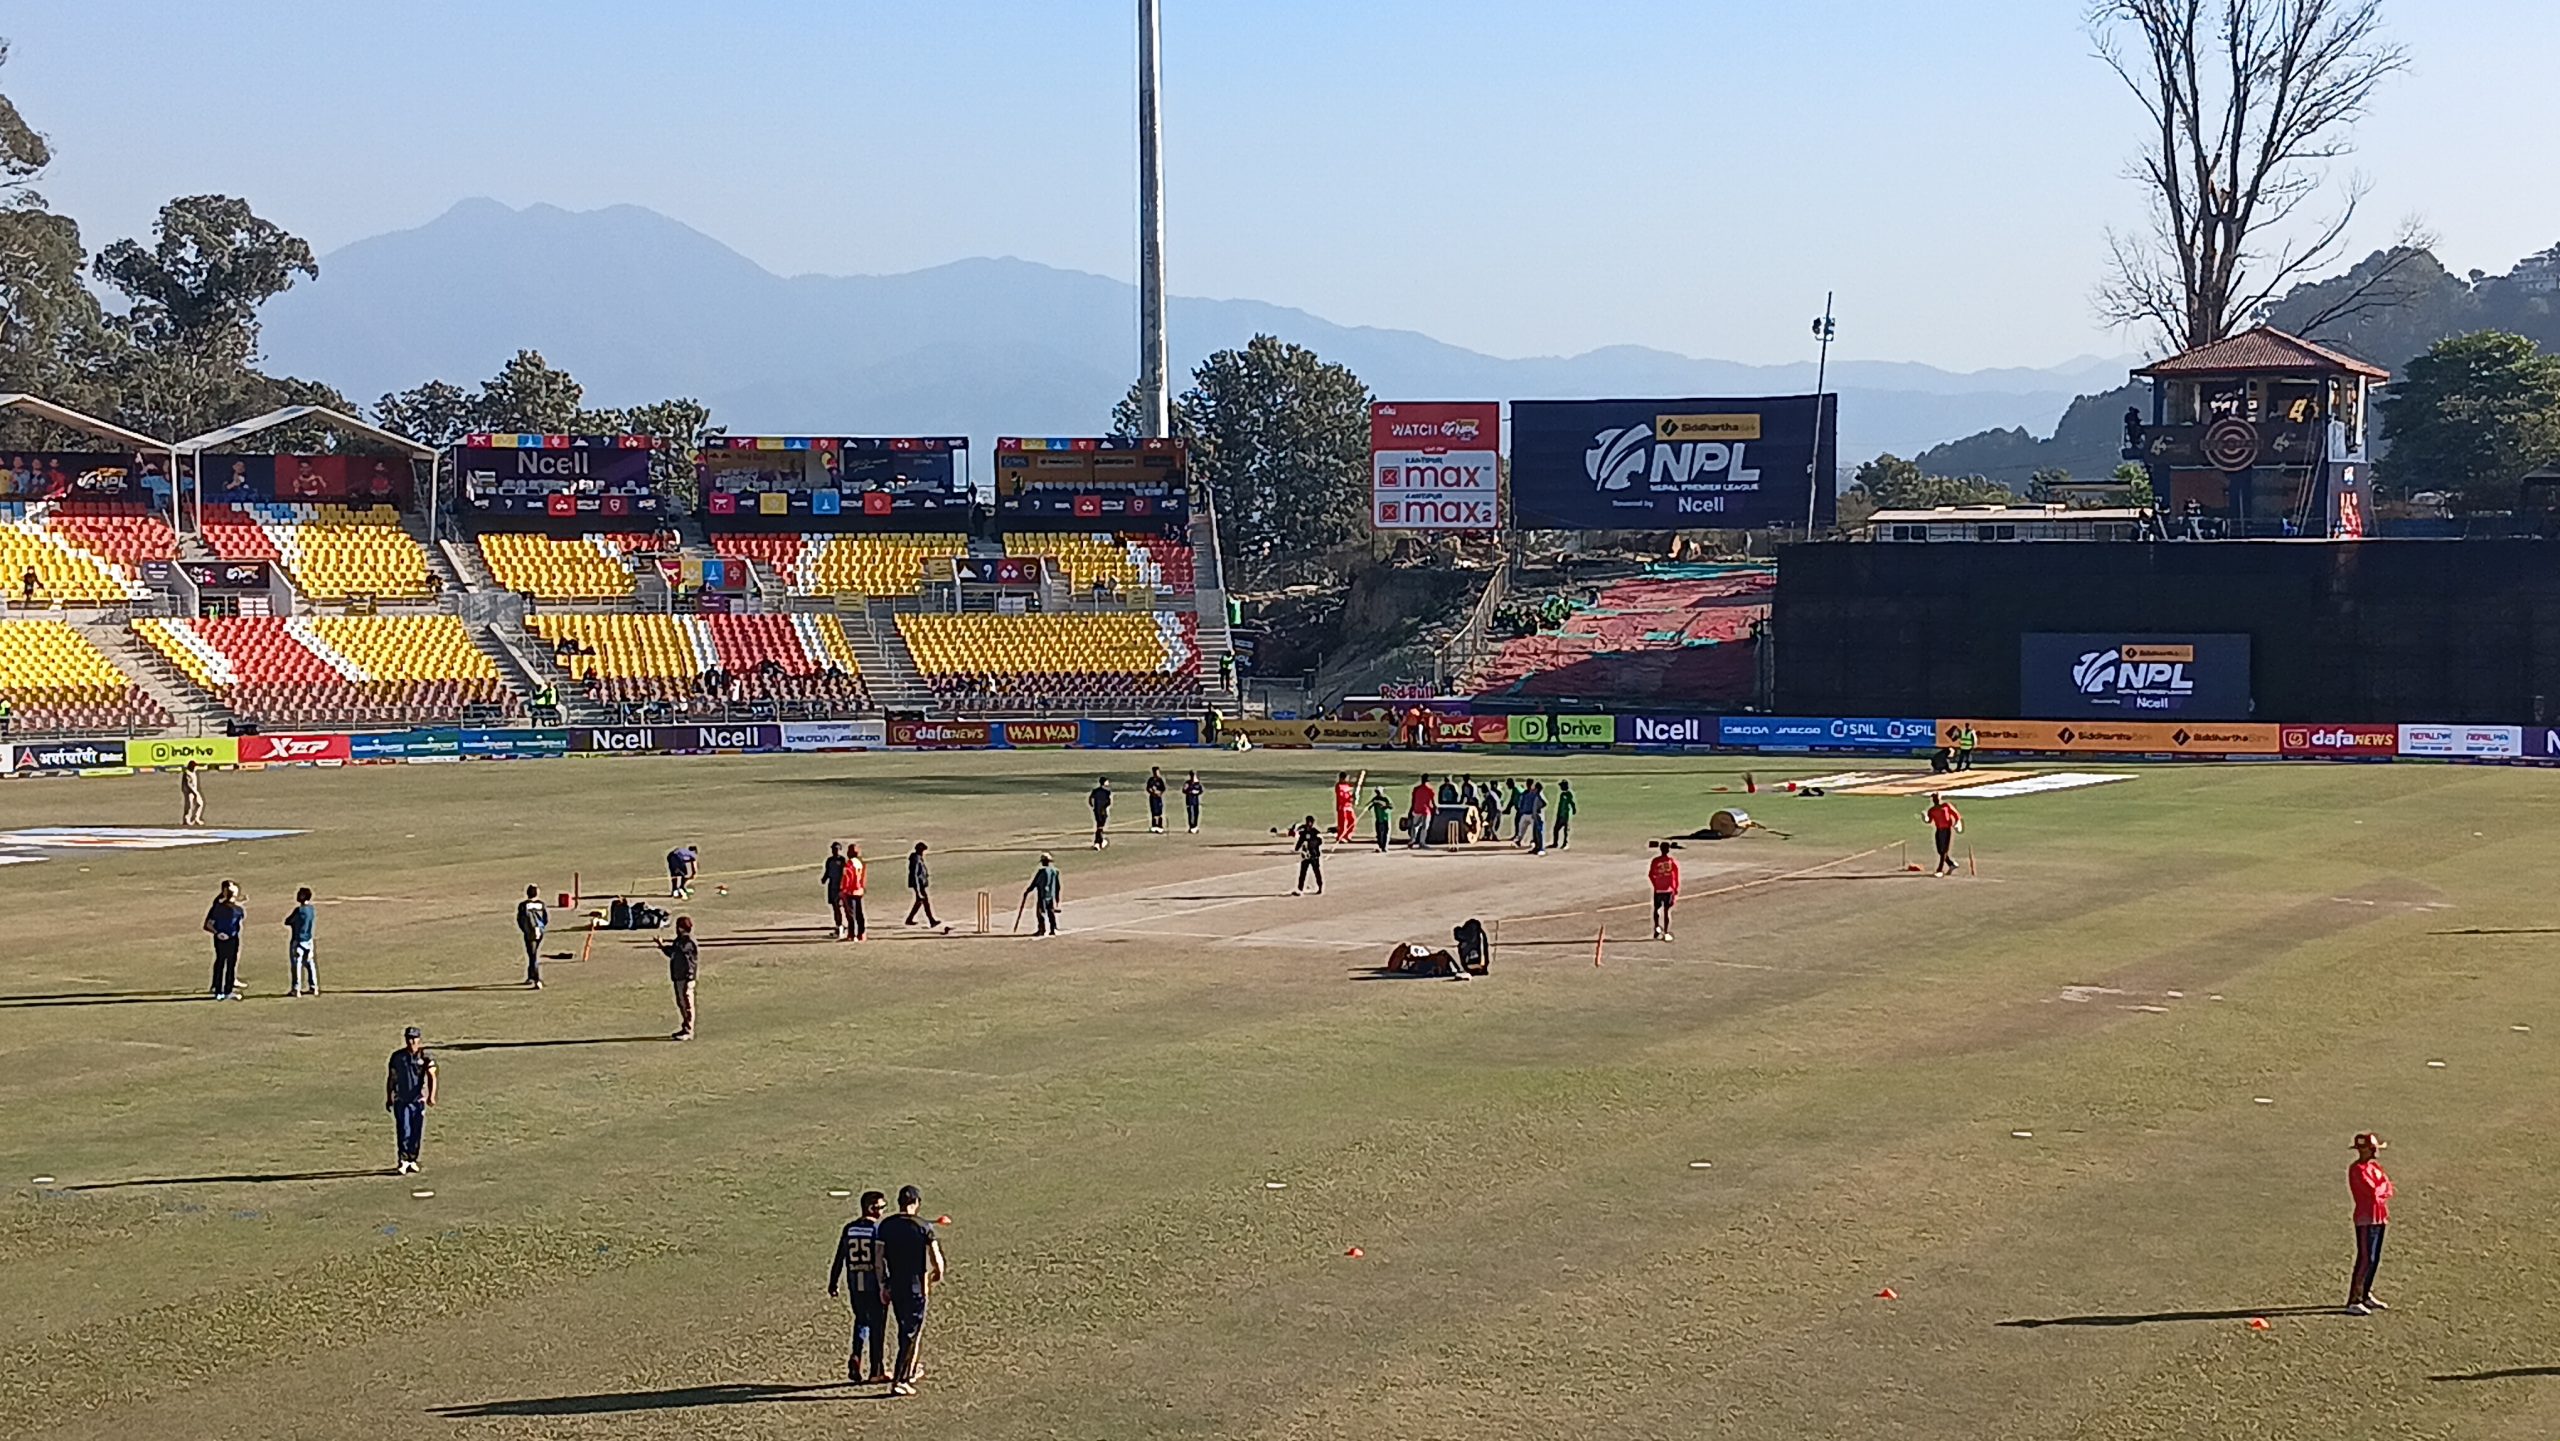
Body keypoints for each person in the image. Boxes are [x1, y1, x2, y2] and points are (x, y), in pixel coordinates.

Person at [873, 1184, 947, 1397]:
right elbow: (936, 1258)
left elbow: (878, 1259)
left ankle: (910, 1369)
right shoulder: (923, 1226)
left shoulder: (886, 1226)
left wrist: (882, 1285)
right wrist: (937, 1274)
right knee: (911, 1333)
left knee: (904, 1330)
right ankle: (900, 1380)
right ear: (916, 1203)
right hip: (916, 1288)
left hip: (895, 1286)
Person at [828, 1190, 891, 1383]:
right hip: (874, 1283)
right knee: (877, 1326)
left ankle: (856, 1354)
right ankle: (876, 1370)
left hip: (855, 1282)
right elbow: (884, 1259)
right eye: (881, 1207)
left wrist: (833, 1282)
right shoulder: (878, 1230)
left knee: (861, 1320)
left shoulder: (850, 1229)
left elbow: (840, 1257)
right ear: (871, 1208)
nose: (882, 1211)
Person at [2347, 1132, 2394, 1316]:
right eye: (2372, 1148)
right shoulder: (2357, 1170)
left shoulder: (2374, 1167)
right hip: (2365, 1219)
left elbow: (2387, 1187)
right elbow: (2373, 1191)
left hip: (2380, 1216)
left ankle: (2365, 1294)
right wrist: (2381, 1188)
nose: (2375, 1152)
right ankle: (2354, 1300)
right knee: (2365, 1259)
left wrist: (2381, 1189)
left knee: (2374, 1259)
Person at [385, 1025, 437, 1174]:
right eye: (409, 1038)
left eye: (414, 1038)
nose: (411, 1041)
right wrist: (389, 1097)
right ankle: (403, 1160)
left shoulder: (425, 1057)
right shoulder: (397, 1057)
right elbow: (392, 1078)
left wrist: (431, 1096)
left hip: (418, 1101)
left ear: (419, 1039)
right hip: (402, 1100)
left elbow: (432, 1076)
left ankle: (412, 1159)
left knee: (416, 1131)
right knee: (404, 1130)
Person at [658, 915, 698, 1039]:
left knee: (687, 1003)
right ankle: (685, 1027)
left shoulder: (688, 942)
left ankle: (688, 1030)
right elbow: (672, 953)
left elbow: (682, 954)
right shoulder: (679, 941)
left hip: (686, 977)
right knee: (681, 1003)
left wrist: (689, 976)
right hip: (678, 976)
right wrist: (662, 946)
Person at [204, 880, 245, 999]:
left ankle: (218, 989)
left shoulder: (217, 908)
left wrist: (218, 933)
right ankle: (227, 990)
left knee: (221, 962)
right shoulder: (238, 910)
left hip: (221, 938)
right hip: (231, 938)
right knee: (230, 964)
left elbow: (208, 925)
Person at [284, 886, 319, 996]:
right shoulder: (311, 910)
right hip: (309, 940)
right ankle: (314, 986)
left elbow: (288, 921)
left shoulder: (299, 910)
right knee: (310, 963)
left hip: (298, 940)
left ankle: (296, 988)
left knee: (297, 965)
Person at [905, 842, 943, 930]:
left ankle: (910, 919)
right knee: (924, 902)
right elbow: (915, 875)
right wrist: (918, 890)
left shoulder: (918, 858)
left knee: (920, 902)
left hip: (920, 884)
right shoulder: (916, 859)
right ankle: (931, 921)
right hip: (919, 884)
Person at [1648, 842, 1681, 942]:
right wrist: (1675, 888)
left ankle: (1657, 927)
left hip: (1658, 889)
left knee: (1656, 909)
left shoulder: (1655, 861)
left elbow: (1651, 874)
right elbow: (1676, 876)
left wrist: (1655, 884)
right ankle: (1666, 931)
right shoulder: (1671, 861)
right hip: (1668, 890)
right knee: (1667, 911)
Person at [517, 885, 549, 988]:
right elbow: (545, 919)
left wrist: (525, 930)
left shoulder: (523, 905)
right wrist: (541, 927)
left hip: (530, 932)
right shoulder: (541, 904)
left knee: (532, 955)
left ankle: (536, 979)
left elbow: (520, 920)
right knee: (533, 954)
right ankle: (531, 976)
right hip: (539, 931)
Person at [1924, 794, 1962, 877]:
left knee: (1944, 850)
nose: (1936, 800)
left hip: (1946, 830)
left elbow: (1956, 815)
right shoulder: (1931, 810)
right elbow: (1929, 820)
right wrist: (1925, 818)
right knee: (1940, 850)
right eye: (1935, 799)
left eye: (1937, 798)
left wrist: (1957, 823)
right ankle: (1951, 864)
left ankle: (1939, 870)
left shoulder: (1946, 806)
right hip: (1939, 830)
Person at [1026, 854, 1063, 937]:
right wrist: (1057, 897)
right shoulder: (1055, 871)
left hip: (1042, 895)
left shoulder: (1041, 872)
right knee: (1051, 912)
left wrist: (1028, 891)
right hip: (1051, 895)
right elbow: (1058, 886)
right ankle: (1053, 929)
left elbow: (1035, 883)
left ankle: (1042, 930)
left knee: (1041, 912)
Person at [839, 844, 869, 942]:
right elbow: (863, 877)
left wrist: (843, 890)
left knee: (851, 914)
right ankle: (861, 933)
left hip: (850, 891)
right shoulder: (860, 863)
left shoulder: (850, 864)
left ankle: (853, 934)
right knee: (859, 913)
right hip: (859, 891)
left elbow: (847, 878)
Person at [1293, 815, 1325, 896]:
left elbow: (1320, 842)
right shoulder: (1303, 832)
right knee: (1302, 873)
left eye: (1310, 822)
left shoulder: (1316, 832)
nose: (1309, 823)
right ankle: (1300, 889)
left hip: (1314, 856)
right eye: (1308, 821)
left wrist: (1312, 844)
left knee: (1316, 872)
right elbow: (1300, 840)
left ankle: (1320, 887)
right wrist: (1297, 848)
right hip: (1305, 856)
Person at [824, 842, 850, 939]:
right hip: (832, 886)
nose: (835, 851)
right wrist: (824, 878)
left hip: (840, 887)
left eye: (837, 849)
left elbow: (845, 873)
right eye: (833, 849)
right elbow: (827, 871)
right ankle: (838, 926)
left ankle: (847, 926)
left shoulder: (842, 860)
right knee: (835, 907)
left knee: (843, 907)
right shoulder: (829, 860)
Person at [1408, 775, 1435, 849]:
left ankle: (1412, 839)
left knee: (1415, 826)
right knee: (1424, 827)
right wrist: (1435, 808)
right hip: (1426, 810)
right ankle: (1422, 842)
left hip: (1417, 809)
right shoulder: (1430, 789)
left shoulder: (1416, 789)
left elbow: (1413, 800)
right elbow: (1432, 801)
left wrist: (1411, 809)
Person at [1522, 781, 1549, 854]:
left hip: (1539, 816)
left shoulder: (1540, 795)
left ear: (1537, 788)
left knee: (1539, 832)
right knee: (1535, 833)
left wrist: (1538, 809)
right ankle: (1536, 847)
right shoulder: (1536, 795)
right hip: (1535, 816)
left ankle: (1541, 848)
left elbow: (1545, 803)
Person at [1333, 770, 1359, 843]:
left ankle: (1348, 835)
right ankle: (1340, 837)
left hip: (1349, 806)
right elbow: (1342, 796)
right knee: (1342, 823)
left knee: (1352, 820)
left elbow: (1350, 795)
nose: (1344, 779)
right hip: (1342, 807)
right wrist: (1350, 794)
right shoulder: (1338, 786)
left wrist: (1353, 796)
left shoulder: (1348, 785)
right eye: (1343, 778)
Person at [1366, 787, 1394, 853]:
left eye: (1378, 791)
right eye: (1376, 792)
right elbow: (1370, 805)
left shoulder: (1385, 798)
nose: (1377, 793)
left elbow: (1391, 806)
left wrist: (1384, 806)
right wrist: (1370, 806)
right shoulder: (1375, 799)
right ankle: (1381, 846)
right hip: (1378, 819)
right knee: (1379, 834)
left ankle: (1385, 847)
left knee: (1386, 833)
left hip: (1385, 818)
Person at [1088, 776, 1113, 850]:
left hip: (1096, 811)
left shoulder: (1095, 790)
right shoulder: (1107, 792)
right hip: (1103, 812)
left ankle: (1099, 842)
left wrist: (1093, 806)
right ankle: (1098, 842)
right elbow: (1108, 802)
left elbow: (1090, 799)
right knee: (1100, 827)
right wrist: (1104, 807)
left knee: (1099, 827)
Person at [1554, 780, 1578, 850]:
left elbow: (1571, 802)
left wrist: (1574, 809)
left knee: (1564, 829)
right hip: (1560, 814)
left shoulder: (1568, 794)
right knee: (1556, 829)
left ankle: (1565, 842)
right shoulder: (1562, 794)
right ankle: (1556, 843)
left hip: (1565, 815)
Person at [1144, 766, 1169, 834]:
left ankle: (1160, 826)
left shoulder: (1160, 780)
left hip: (1158, 798)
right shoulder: (1151, 780)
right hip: (1153, 798)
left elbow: (1163, 788)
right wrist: (1152, 792)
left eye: (1158, 772)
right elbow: (1148, 788)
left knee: (1159, 812)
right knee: (1154, 811)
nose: (1157, 773)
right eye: (1155, 772)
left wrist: (1159, 793)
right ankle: (1154, 825)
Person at [180, 760, 204, 827]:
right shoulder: (187, 773)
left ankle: (196, 818)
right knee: (189, 806)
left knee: (200, 803)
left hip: (194, 790)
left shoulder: (193, 772)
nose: (195, 767)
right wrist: (194, 793)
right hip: (188, 791)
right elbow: (188, 784)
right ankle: (186, 820)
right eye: (194, 766)